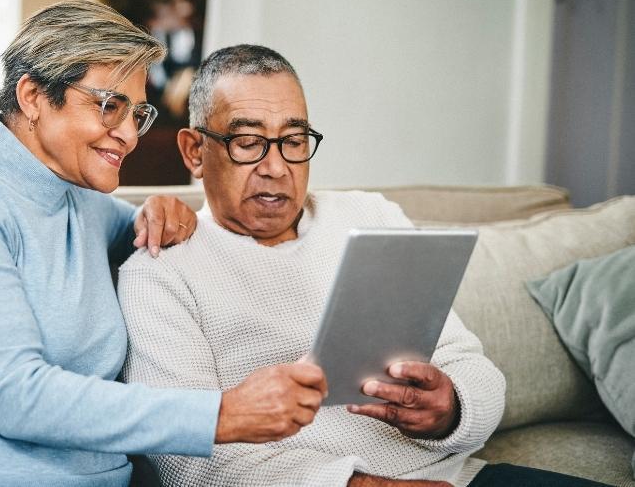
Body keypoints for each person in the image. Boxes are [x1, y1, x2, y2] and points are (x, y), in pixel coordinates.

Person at [0, 2, 328, 487]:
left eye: (138, 115)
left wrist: (165, 214)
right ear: (33, 97)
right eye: (108, 106)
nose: (127, 134)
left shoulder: (83, 204)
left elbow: (168, 239)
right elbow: (17, 396)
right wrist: (222, 413)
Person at [118, 44, 611, 487]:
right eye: (248, 142)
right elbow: (182, 459)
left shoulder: (369, 216)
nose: (276, 167)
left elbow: (471, 366)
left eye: (294, 140)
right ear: (194, 151)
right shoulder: (161, 268)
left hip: (456, 478)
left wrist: (451, 409)